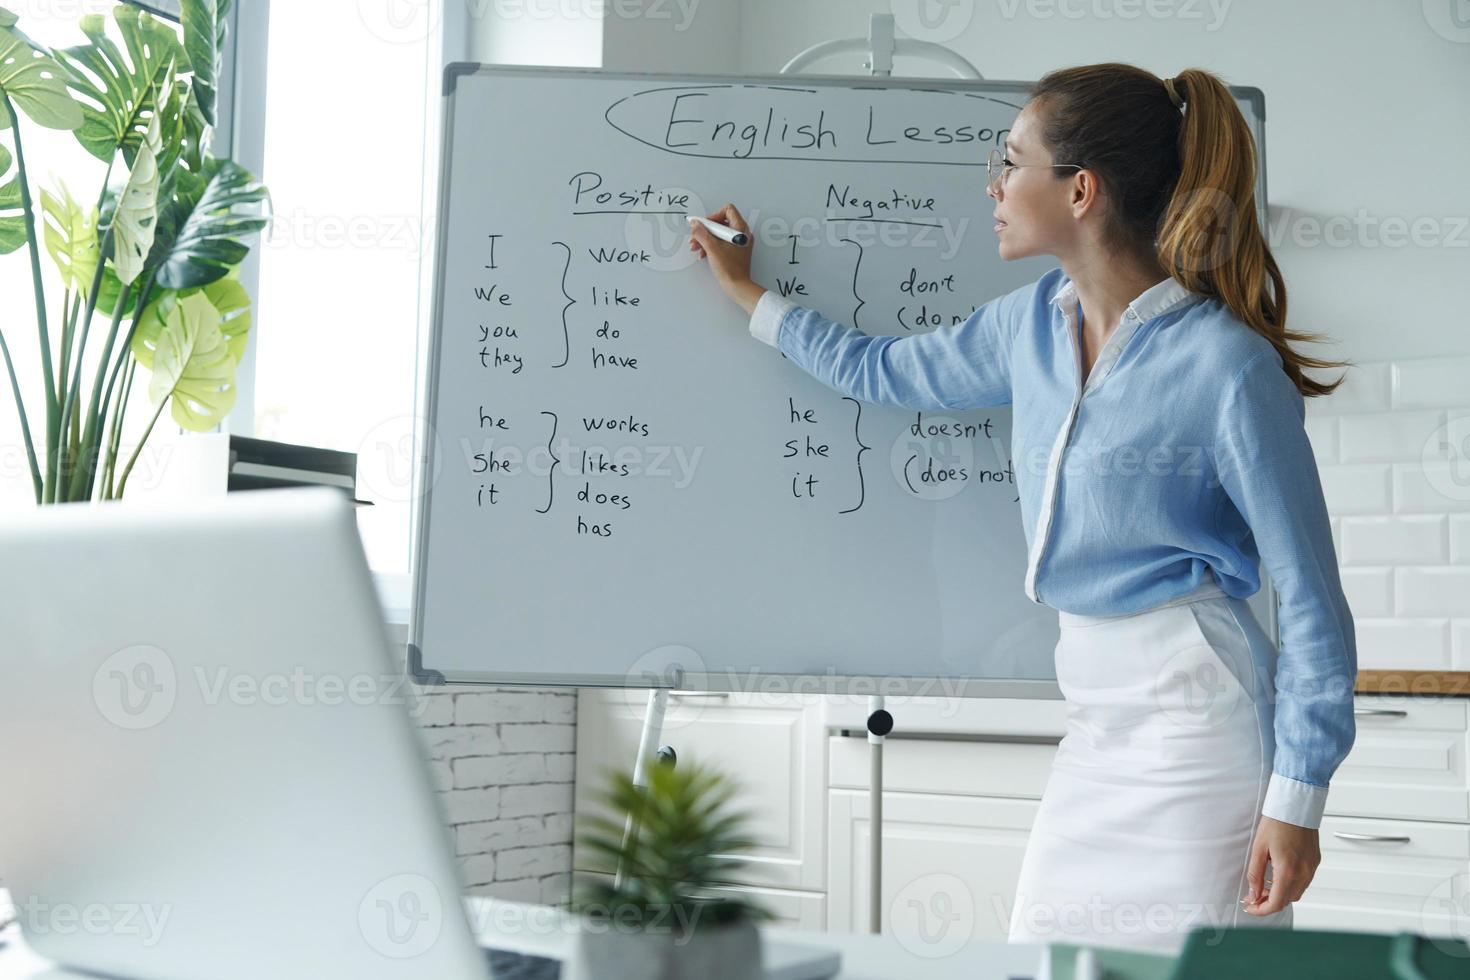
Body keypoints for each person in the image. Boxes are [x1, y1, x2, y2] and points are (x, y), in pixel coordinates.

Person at [688, 63, 1357, 954]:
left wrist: (1296, 798)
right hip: (1093, 722)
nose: (995, 187)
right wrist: (747, 293)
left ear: (1081, 190)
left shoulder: (1225, 368)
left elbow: (1313, 602)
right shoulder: (1029, 325)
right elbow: (882, 371)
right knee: (1047, 958)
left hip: (1198, 731)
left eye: (1012, 162)